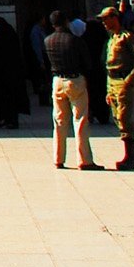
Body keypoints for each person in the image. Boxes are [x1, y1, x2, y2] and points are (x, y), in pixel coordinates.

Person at [43, 10, 101, 170]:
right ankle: (84, 160)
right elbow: (87, 63)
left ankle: (58, 158)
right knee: (80, 119)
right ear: (66, 22)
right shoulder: (75, 40)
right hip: (74, 79)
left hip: (57, 81)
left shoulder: (48, 40)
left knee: (59, 121)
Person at [102, 6, 134, 170]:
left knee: (124, 118)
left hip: (123, 81)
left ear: (114, 18)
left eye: (105, 19)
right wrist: (108, 90)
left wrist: (129, 81)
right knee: (117, 117)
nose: (104, 23)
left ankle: (130, 157)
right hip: (113, 81)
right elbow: (109, 66)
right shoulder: (111, 38)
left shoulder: (126, 37)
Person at [0, 15, 28, 129]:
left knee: (11, 98)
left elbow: (11, 55)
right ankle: (5, 119)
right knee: (2, 98)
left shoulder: (9, 35)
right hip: (0, 75)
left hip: (11, 75)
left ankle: (12, 120)